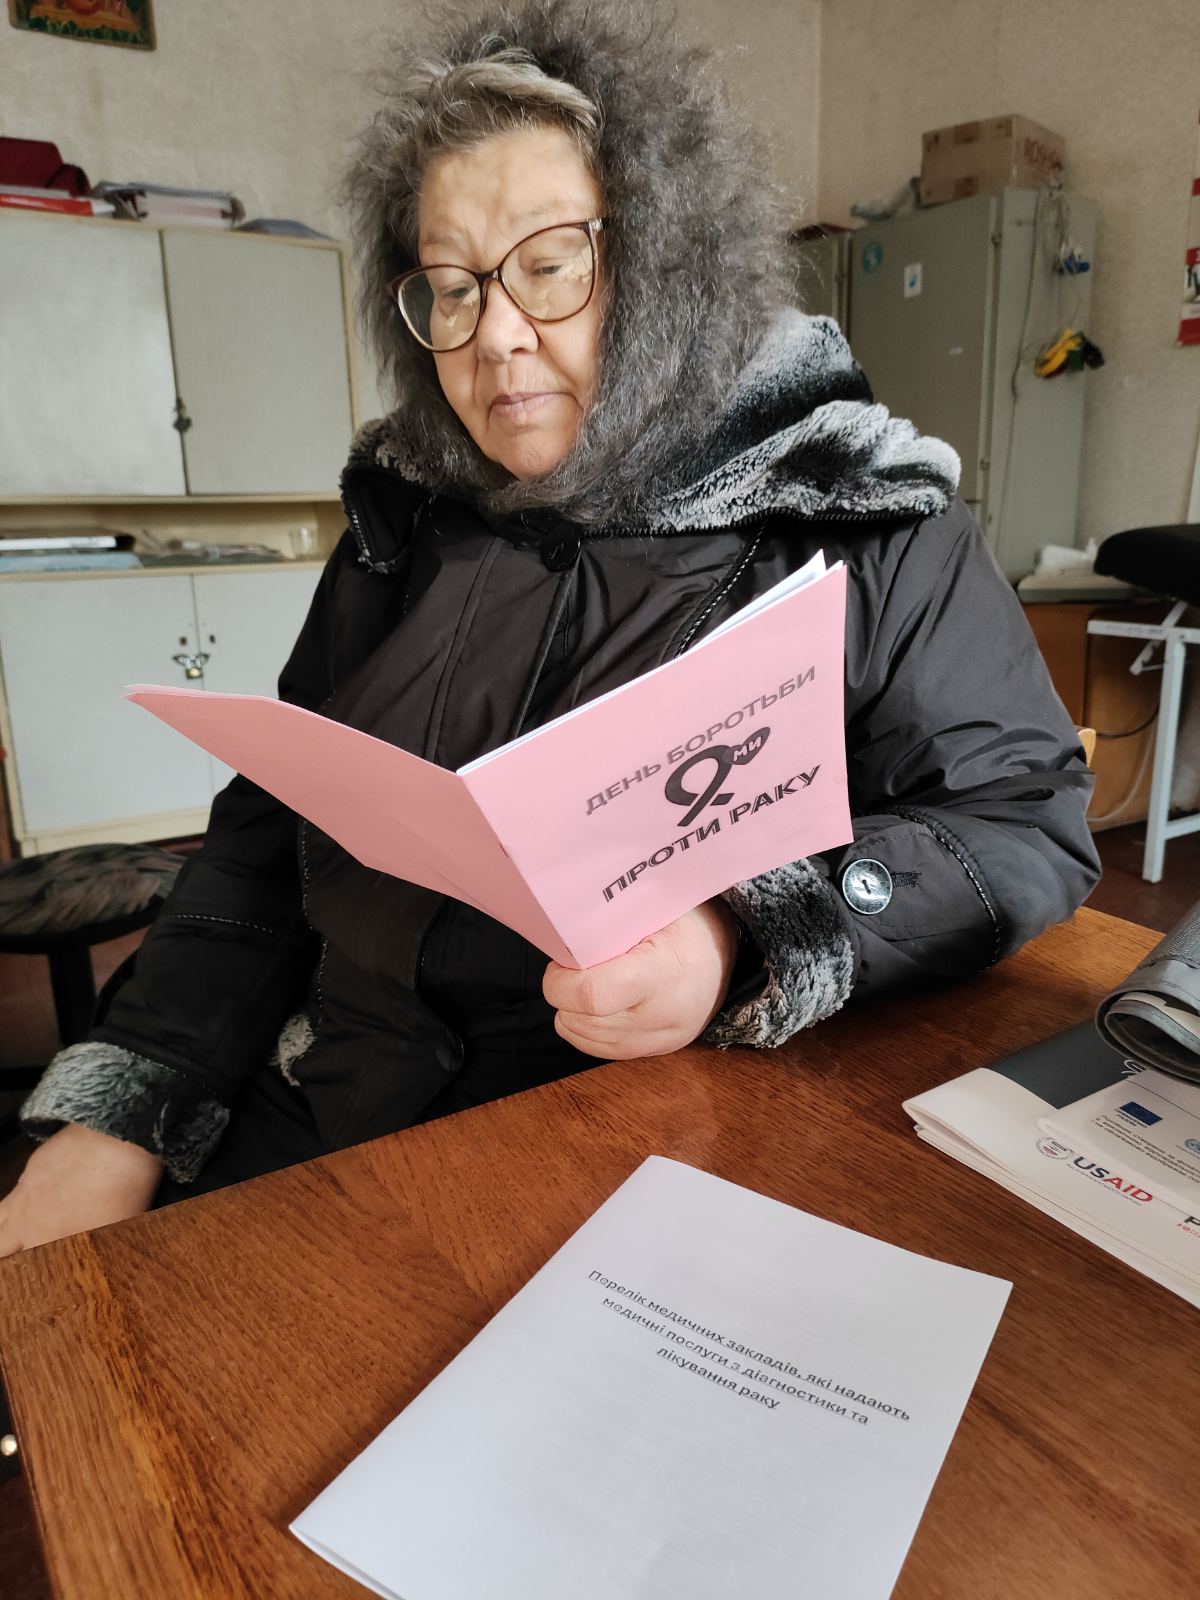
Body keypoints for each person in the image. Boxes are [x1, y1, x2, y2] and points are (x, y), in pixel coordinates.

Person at [0, 0, 1099, 1256]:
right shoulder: (403, 524)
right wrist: (122, 1111)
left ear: (668, 259)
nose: (497, 336)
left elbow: (1024, 818)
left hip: (638, 1150)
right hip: (335, 1100)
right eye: (451, 286)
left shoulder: (860, 514)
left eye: (550, 263)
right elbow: (264, 841)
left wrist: (740, 937)